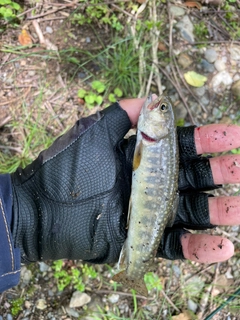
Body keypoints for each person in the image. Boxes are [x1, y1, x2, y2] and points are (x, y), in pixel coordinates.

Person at [0, 97, 240, 293]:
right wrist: (20, 212)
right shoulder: (154, 142)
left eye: (162, 109)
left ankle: (133, 272)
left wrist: (15, 216)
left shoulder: (156, 142)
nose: (158, 105)